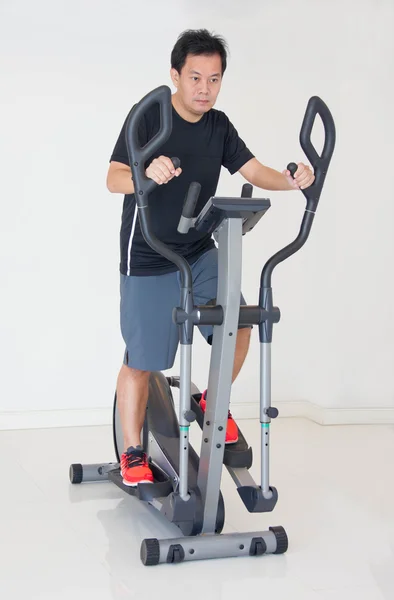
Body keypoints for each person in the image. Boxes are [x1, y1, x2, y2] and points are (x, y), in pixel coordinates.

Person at [107, 29, 315, 486]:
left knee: (240, 319)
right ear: (176, 75)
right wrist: (146, 173)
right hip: (148, 251)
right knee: (144, 360)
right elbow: (113, 177)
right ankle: (133, 453)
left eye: (214, 79)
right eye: (196, 77)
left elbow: (254, 170)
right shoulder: (149, 116)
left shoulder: (219, 126)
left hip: (198, 247)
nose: (204, 88)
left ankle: (210, 403)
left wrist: (290, 178)